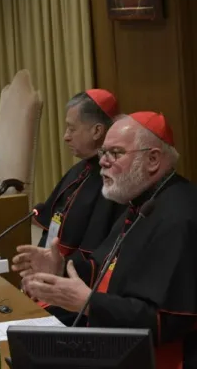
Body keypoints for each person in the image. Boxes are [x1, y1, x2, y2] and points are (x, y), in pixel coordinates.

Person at [12, 112, 197, 368]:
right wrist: (61, 267)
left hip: (172, 358)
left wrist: (88, 304)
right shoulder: (143, 202)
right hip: (122, 346)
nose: (103, 163)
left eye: (115, 154)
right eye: (102, 153)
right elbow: (111, 270)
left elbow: (163, 322)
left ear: (152, 159)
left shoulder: (182, 219)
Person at [31, 89, 126, 325]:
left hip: (79, 290)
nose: (65, 136)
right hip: (54, 277)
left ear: (97, 131)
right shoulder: (79, 170)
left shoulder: (114, 183)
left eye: (72, 128)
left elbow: (96, 256)